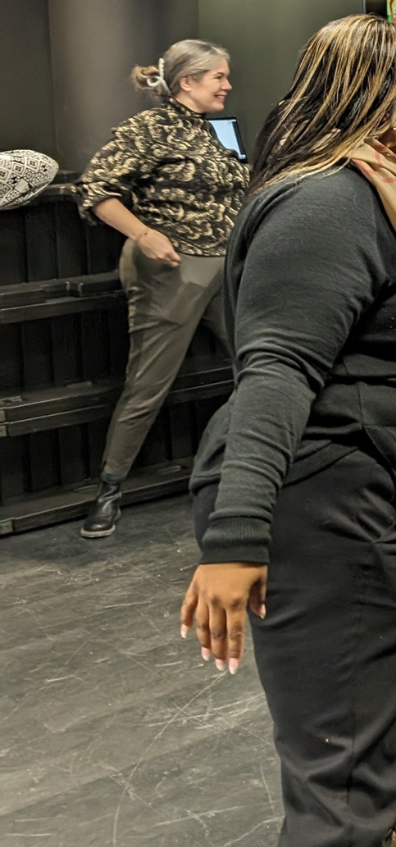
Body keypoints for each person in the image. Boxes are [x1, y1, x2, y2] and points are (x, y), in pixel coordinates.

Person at [179, 14, 396, 847]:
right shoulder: (329, 202)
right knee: (341, 796)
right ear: (380, 102)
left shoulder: (361, 182)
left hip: (370, 506)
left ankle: (381, 835)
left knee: (363, 744)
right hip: (332, 510)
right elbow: (278, 372)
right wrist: (236, 538)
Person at [76, 39, 248, 539]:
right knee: (148, 385)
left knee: (259, 365)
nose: (227, 84)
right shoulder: (148, 128)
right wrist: (145, 234)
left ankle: (259, 471)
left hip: (226, 267)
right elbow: (95, 189)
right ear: (186, 82)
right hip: (175, 271)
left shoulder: (211, 132)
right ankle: (109, 489)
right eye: (218, 76)